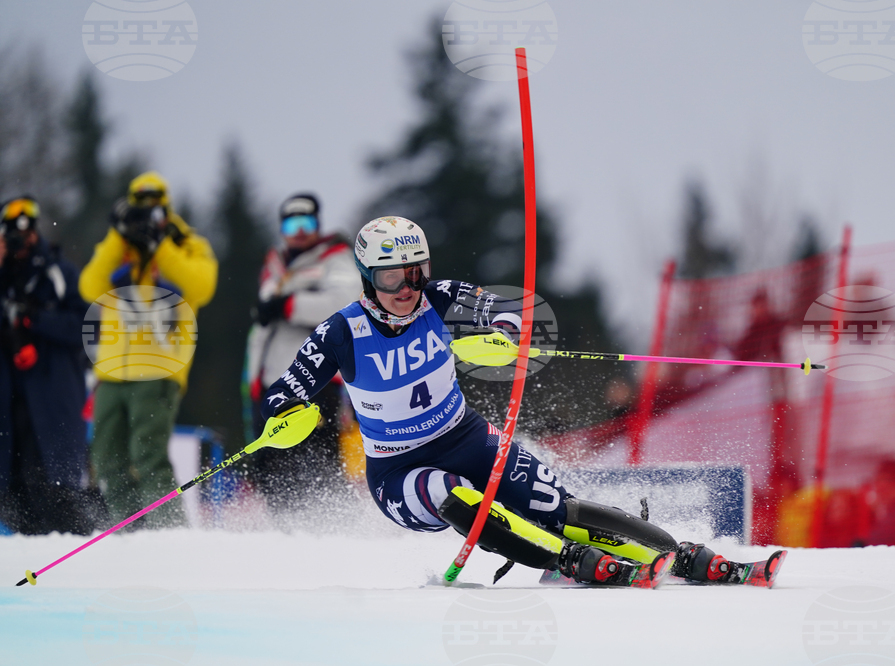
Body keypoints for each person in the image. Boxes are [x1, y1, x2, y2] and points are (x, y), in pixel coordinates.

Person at [261, 216, 758, 586]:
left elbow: (502, 308)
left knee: (552, 506)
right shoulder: (342, 331)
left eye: (417, 273)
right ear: (369, 277)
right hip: (399, 472)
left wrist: (505, 329)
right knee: (450, 492)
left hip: (467, 438)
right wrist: (283, 410)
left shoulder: (439, 296)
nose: (408, 289)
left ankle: (679, 552)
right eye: (393, 278)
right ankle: (564, 561)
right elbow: (284, 390)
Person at [79, 172, 217, 529]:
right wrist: (117, 233)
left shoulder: (185, 243)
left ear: (167, 205)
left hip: (158, 369)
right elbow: (89, 286)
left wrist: (161, 245)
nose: (147, 214)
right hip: (110, 372)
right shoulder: (118, 248)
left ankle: (168, 531)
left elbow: (201, 287)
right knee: (106, 457)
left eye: (154, 205)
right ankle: (129, 532)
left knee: (148, 454)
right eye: (139, 207)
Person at [245, 193, 359, 517]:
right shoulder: (276, 264)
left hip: (315, 379)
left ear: (318, 224)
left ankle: (328, 529)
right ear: (282, 227)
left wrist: (291, 305)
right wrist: (254, 379)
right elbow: (262, 330)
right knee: (270, 463)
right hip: (271, 380)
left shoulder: (333, 259)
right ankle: (284, 536)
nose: (299, 231)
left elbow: (346, 301)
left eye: (306, 222)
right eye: (292, 223)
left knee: (316, 460)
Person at [0, 196, 93, 534]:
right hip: (11, 405)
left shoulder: (57, 272)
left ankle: (89, 550)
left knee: (55, 492)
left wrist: (35, 318)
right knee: (12, 495)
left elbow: (85, 326)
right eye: (11, 233)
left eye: (27, 231)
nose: (21, 241)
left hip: (51, 400)